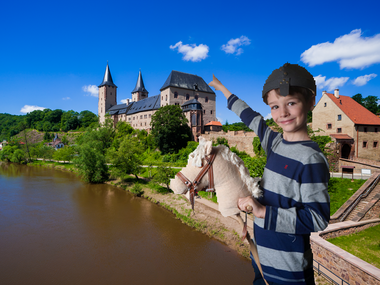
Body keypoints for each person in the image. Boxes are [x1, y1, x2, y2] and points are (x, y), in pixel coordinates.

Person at [209, 63, 330, 285]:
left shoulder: (310, 160)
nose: (282, 113)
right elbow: (250, 117)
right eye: (274, 107)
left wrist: (262, 211)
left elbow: (318, 218)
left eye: (291, 103)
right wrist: (222, 89)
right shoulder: (274, 143)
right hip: (261, 258)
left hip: (289, 272)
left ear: (311, 103)